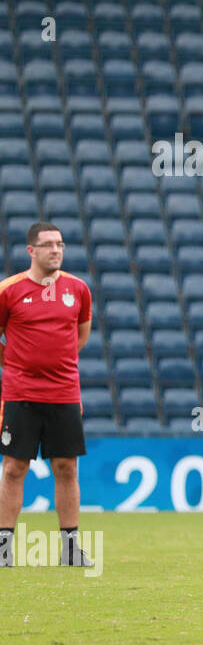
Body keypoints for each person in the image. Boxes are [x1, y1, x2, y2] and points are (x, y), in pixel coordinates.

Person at [0, 222, 94, 568]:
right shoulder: (8, 291)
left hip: (64, 392)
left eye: (60, 244)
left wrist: (57, 364)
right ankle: (3, 547)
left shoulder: (78, 289)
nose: (56, 250)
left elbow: (80, 336)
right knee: (13, 468)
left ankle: (70, 548)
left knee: (67, 467)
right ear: (31, 251)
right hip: (20, 392)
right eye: (48, 245)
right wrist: (17, 362)